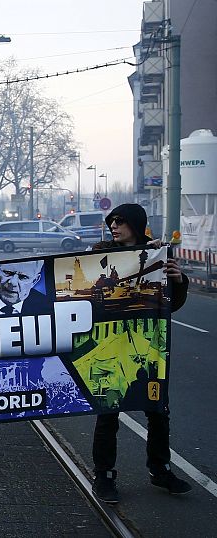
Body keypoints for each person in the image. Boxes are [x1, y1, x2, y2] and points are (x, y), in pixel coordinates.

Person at [90, 203, 191, 503]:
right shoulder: (101, 253)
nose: (114, 225)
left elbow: (170, 305)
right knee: (108, 414)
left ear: (136, 224)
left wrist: (178, 279)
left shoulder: (156, 256)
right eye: (112, 221)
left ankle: (160, 469)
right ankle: (103, 476)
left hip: (148, 347)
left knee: (158, 411)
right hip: (110, 346)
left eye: (121, 221)